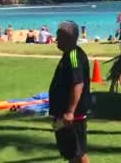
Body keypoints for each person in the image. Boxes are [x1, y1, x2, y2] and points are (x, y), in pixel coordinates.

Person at [49, 21, 91, 163]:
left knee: (79, 152)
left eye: (59, 37)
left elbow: (78, 84)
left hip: (72, 115)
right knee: (71, 152)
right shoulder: (68, 54)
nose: (56, 40)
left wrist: (70, 111)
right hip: (62, 113)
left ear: (68, 38)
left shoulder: (74, 56)